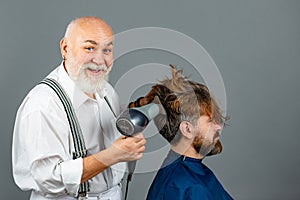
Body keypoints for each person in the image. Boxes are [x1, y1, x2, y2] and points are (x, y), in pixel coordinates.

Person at [12, 16, 146, 200]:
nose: (99, 60)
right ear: (65, 48)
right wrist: (112, 156)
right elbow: (48, 178)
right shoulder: (43, 104)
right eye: (89, 48)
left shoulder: (105, 90)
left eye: (107, 50)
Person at [129, 65, 233, 199]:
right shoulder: (184, 187)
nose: (218, 127)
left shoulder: (190, 173)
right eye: (210, 121)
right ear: (187, 129)